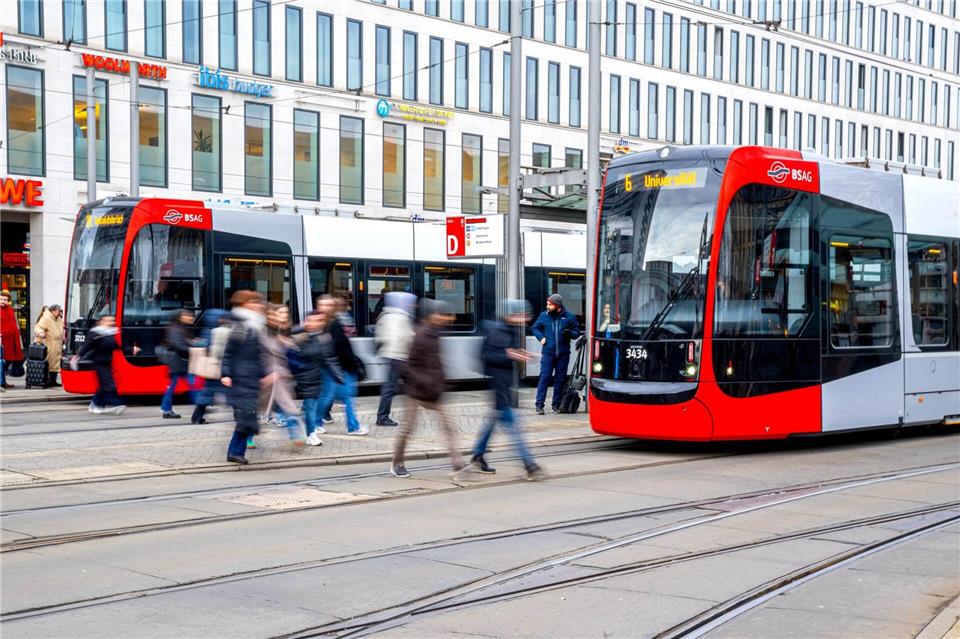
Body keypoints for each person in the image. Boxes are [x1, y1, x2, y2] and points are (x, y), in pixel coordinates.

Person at [467, 299, 546, 480]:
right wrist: (510, 354)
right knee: (513, 427)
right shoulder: (498, 331)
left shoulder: (509, 330)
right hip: (499, 386)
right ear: (512, 315)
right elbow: (489, 356)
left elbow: (509, 352)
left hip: (504, 385)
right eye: (523, 315)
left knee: (493, 421)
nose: (527, 318)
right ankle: (529, 464)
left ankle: (478, 455)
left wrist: (523, 355)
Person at [391, 300, 465, 479]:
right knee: (408, 428)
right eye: (443, 314)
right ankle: (397, 463)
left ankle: (457, 462)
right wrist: (422, 380)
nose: (448, 318)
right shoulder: (420, 335)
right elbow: (404, 364)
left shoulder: (436, 334)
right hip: (416, 391)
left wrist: (443, 381)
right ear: (432, 316)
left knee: (448, 426)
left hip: (433, 390)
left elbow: (436, 362)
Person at [220, 290, 271, 464]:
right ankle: (234, 452)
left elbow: (257, 355)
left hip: (250, 376)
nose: (259, 305)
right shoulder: (241, 326)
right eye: (254, 302)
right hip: (241, 377)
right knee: (246, 417)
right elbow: (228, 353)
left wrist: (265, 374)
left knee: (247, 416)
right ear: (243, 304)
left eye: (259, 302)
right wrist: (225, 373)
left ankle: (235, 452)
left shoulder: (255, 325)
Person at [316, 295, 367, 435]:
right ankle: (315, 423)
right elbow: (340, 347)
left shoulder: (334, 322)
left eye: (330, 305)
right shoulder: (320, 323)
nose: (327, 308)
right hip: (332, 367)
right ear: (318, 306)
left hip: (340, 365)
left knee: (346, 396)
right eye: (324, 305)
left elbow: (343, 346)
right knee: (328, 396)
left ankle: (353, 426)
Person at [260, 304, 306, 446]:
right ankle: (247, 435)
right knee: (258, 410)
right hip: (268, 377)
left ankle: (295, 435)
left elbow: (290, 350)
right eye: (280, 313)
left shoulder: (285, 330)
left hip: (282, 377)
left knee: (287, 407)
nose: (284, 315)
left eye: (286, 312)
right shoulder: (263, 331)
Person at [531, 293, 580, 415]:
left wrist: (570, 333)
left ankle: (556, 405)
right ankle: (539, 405)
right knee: (545, 378)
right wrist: (541, 337)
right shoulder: (544, 316)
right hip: (548, 353)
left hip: (563, 355)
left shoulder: (570, 317)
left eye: (549, 304)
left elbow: (576, 333)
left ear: (557, 305)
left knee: (560, 380)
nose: (547, 306)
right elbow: (534, 328)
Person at [374, 291, 416, 426]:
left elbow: (380, 336)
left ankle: (412, 413)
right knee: (391, 388)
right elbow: (404, 337)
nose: (412, 306)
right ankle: (382, 417)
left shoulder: (386, 315)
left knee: (409, 385)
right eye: (410, 303)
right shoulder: (400, 317)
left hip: (393, 355)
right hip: (399, 356)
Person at [78, 314, 127, 415]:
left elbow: (116, 346)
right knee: (109, 384)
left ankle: (96, 404)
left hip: (107, 362)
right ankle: (116, 403)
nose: (111, 323)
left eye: (112, 321)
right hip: (98, 362)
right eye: (108, 321)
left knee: (102, 385)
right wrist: (78, 356)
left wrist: (131, 350)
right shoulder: (95, 333)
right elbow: (86, 346)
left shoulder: (110, 333)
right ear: (101, 322)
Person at [291, 310, 327, 447]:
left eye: (318, 321)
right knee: (310, 406)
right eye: (311, 320)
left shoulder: (320, 336)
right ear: (305, 321)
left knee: (309, 406)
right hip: (302, 377)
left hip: (314, 377)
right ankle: (310, 434)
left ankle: (308, 431)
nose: (314, 324)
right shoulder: (298, 335)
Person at [190, 310, 231, 424]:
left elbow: (208, 347)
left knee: (207, 392)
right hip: (221, 367)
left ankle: (197, 417)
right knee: (233, 393)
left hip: (212, 368)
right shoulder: (227, 331)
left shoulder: (209, 331)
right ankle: (242, 418)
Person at [160, 309, 195, 419]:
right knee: (191, 385)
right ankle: (201, 405)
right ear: (179, 317)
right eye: (187, 316)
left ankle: (201, 405)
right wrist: (193, 349)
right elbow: (178, 345)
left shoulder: (181, 328)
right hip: (178, 362)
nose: (190, 317)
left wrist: (192, 343)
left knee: (192, 384)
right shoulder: (176, 329)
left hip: (181, 362)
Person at [33, 304, 64, 386]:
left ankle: (53, 381)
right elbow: (38, 327)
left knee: (56, 364)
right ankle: (48, 380)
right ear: (53, 311)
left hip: (58, 344)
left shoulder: (58, 319)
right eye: (59, 310)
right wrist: (40, 333)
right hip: (50, 343)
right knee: (50, 362)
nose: (60, 312)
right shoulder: (46, 318)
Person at [0, 290, 24, 387]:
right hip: (3, 339)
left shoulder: (10, 309)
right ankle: (1, 381)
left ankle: (3, 381)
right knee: (3, 360)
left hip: (12, 339)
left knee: (9, 360)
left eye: (5, 299)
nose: (3, 301)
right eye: (1, 299)